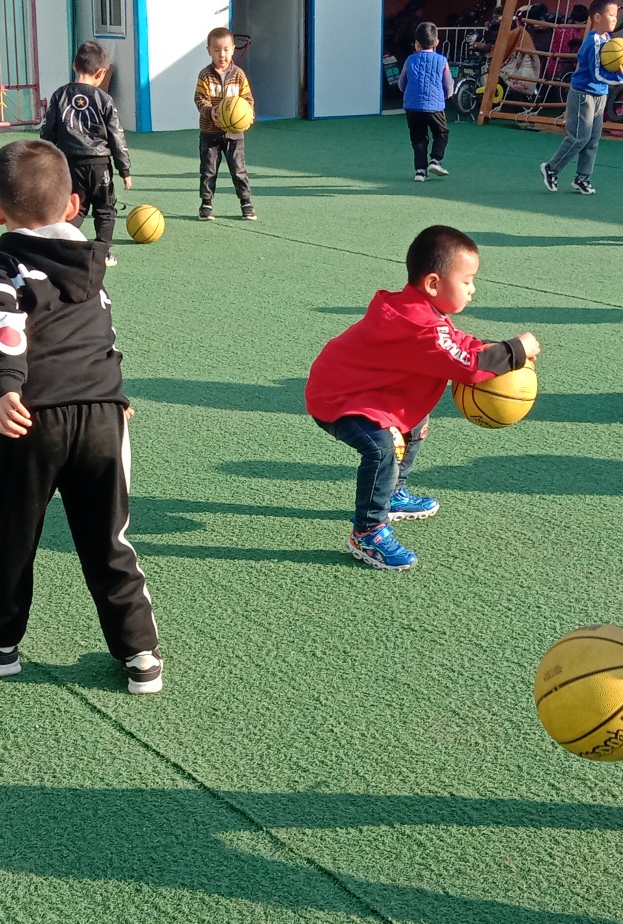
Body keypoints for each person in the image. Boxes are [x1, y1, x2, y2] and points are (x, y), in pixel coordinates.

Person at [0, 139, 162, 694]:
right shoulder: (92, 263)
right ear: (74, 205)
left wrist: (5, 388)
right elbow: (103, 333)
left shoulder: (2, 266)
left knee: (11, 536)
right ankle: (141, 656)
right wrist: (114, 394)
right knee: (109, 539)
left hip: (29, 418)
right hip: (103, 417)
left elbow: (3, 326)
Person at [305, 225, 540, 570]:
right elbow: (468, 365)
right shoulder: (419, 325)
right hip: (340, 398)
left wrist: (493, 348)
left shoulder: (419, 310)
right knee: (382, 449)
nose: (473, 289)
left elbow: (456, 342)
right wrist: (515, 349)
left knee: (415, 424)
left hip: (367, 391)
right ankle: (367, 532)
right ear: (433, 283)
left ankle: (393, 494)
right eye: (467, 281)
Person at [39, 40, 132, 266]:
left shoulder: (60, 95)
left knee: (76, 209)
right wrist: (124, 169)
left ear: (74, 65)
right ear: (101, 73)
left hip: (70, 164)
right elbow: (116, 136)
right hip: (99, 165)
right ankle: (103, 254)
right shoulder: (104, 99)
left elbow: (48, 131)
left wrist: (49, 159)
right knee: (105, 210)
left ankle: (61, 249)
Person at [539, 0, 623, 194]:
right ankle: (551, 168)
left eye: (616, 15)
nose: (615, 19)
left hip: (600, 94)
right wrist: (621, 76)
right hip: (583, 94)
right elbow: (597, 74)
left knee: (593, 139)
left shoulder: (608, 39)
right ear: (597, 17)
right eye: (611, 15)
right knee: (579, 137)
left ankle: (582, 178)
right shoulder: (593, 42)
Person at [193, 27, 256, 221]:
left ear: (233, 49)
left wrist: (249, 115)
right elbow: (199, 98)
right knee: (208, 170)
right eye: (217, 50)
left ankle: (246, 202)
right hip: (210, 132)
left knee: (238, 169)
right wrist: (210, 111)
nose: (222, 54)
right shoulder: (205, 75)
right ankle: (206, 204)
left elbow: (247, 99)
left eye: (227, 50)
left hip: (235, 134)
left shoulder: (239, 75)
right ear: (208, 51)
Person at [399, 21, 456, 182]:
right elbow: (448, 84)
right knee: (441, 133)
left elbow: (402, 83)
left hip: (412, 106)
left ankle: (420, 171)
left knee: (418, 138)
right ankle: (435, 160)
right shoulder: (441, 61)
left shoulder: (410, 60)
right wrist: (447, 95)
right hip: (434, 106)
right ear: (437, 42)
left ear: (416, 43)